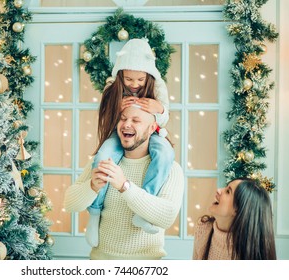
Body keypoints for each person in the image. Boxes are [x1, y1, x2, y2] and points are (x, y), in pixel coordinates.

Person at [64, 105, 184, 260]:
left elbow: (167, 217)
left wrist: (125, 186)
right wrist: (92, 187)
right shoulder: (103, 162)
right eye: (123, 119)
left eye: (136, 120)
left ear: (152, 128)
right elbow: (69, 204)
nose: (127, 124)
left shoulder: (171, 169)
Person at [86, 38, 175, 247]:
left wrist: (158, 109)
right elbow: (105, 117)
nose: (134, 85)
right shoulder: (112, 87)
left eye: (140, 80)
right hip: (119, 134)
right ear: (120, 75)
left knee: (165, 154)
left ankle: (143, 208)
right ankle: (94, 212)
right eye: (129, 79)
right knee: (102, 158)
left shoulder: (159, 87)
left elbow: (164, 118)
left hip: (151, 133)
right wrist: (117, 108)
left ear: (149, 77)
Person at [193, 178, 276, 260]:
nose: (218, 190)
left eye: (228, 191)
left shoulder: (252, 252)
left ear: (239, 210)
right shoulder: (203, 228)